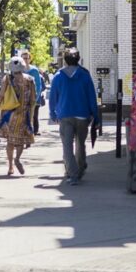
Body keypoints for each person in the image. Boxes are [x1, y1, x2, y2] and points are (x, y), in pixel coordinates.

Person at [48, 48, 100, 186]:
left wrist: (52, 113)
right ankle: (81, 167)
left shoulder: (58, 76)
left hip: (65, 114)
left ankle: (72, 174)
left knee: (67, 146)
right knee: (80, 144)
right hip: (83, 115)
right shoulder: (85, 75)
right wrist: (96, 115)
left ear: (65, 60)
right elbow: (91, 97)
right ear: (78, 59)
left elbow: (53, 96)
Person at [0, 56, 36, 176]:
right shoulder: (30, 80)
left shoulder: (7, 79)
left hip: (9, 114)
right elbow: (33, 100)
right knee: (20, 141)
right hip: (23, 114)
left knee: (10, 142)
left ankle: (11, 166)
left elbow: (1, 95)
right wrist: (31, 117)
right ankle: (17, 159)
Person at [21, 50, 45, 135]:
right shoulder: (19, 69)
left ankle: (34, 131)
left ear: (30, 59)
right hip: (22, 97)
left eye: (27, 58)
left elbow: (38, 85)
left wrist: (36, 96)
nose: (25, 60)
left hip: (33, 96)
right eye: (23, 58)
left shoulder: (34, 70)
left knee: (34, 115)